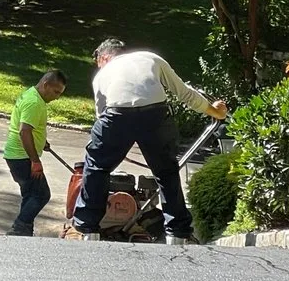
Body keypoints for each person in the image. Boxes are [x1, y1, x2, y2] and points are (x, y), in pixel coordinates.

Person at [70, 39, 229, 243]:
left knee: (97, 168)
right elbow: (185, 94)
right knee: (166, 172)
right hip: (155, 114)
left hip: (116, 115)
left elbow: (102, 116)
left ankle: (87, 228)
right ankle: (178, 232)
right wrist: (215, 111)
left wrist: (116, 144)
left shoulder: (102, 74)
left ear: (103, 58)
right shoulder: (151, 58)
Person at [2, 70, 67, 236]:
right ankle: (19, 228)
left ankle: (24, 232)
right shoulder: (34, 103)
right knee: (42, 195)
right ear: (45, 85)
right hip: (22, 157)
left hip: (16, 155)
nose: (57, 97)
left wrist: (41, 141)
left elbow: (29, 128)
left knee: (30, 194)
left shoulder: (31, 95)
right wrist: (35, 161)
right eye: (56, 92)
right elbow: (24, 131)